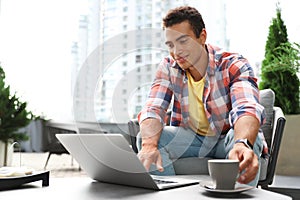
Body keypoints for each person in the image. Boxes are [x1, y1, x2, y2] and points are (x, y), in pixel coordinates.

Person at [137, 6, 267, 186]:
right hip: (193, 140)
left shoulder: (233, 64)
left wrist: (242, 143)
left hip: (226, 139)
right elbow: (154, 107)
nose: (176, 52)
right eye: (171, 45)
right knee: (148, 139)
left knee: (249, 143)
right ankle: (172, 195)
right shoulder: (169, 67)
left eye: (183, 41)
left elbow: (246, 107)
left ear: (202, 36)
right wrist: (149, 145)